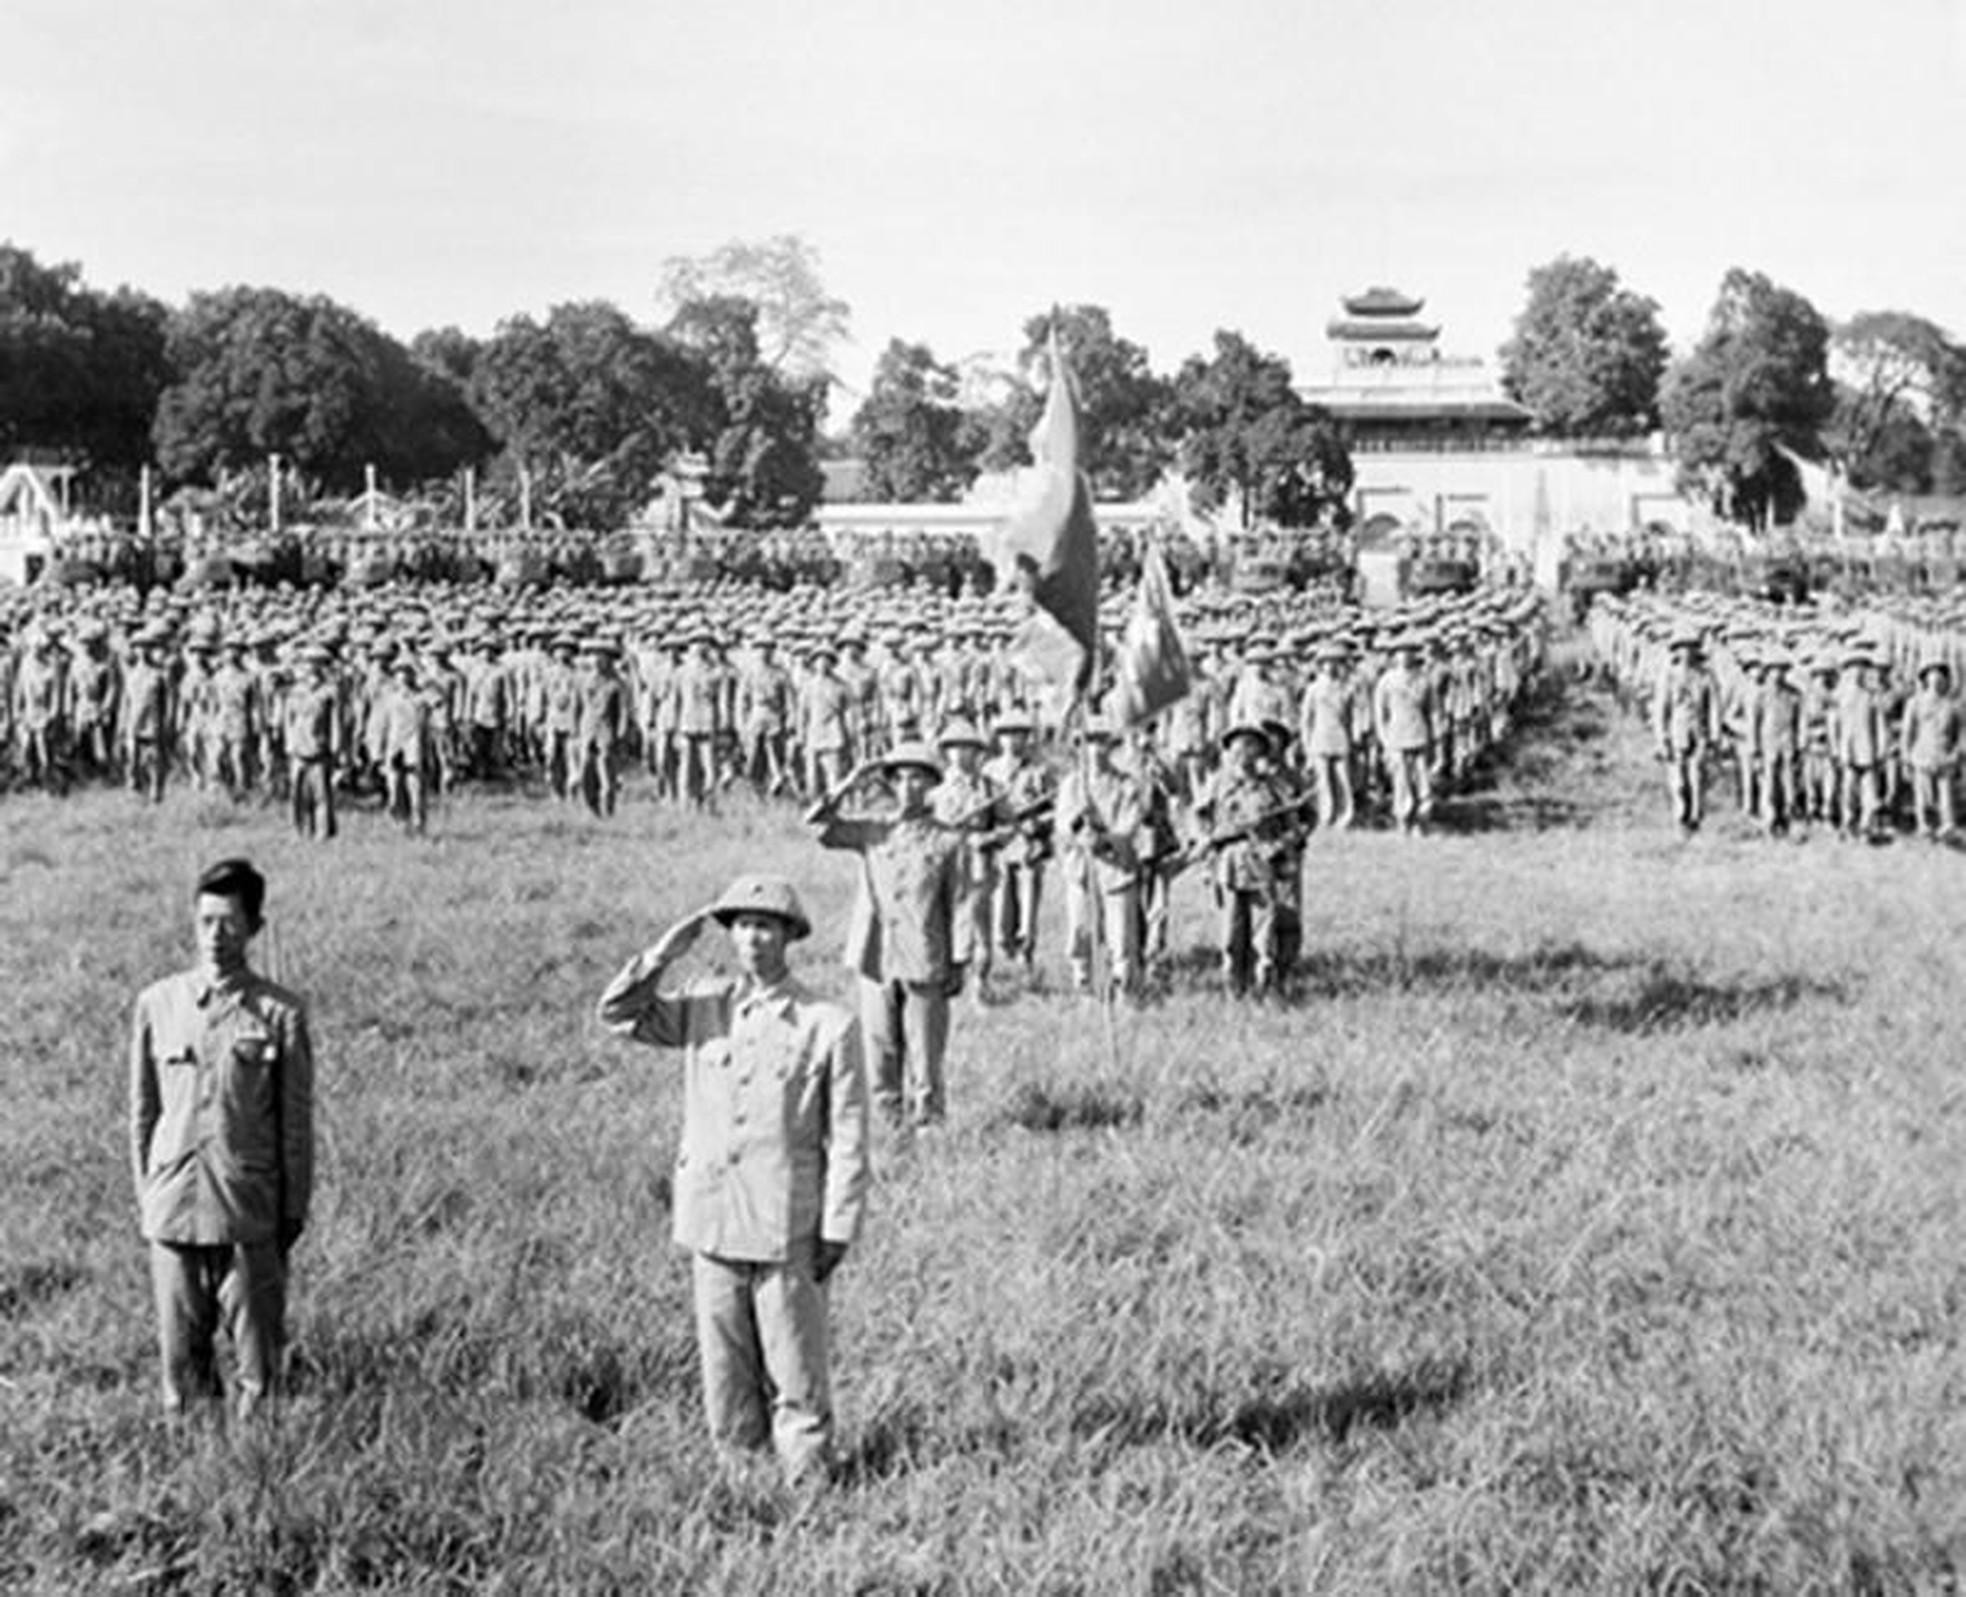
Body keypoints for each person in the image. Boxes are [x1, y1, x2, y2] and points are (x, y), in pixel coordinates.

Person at [595, 875, 869, 1486]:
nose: (753, 937)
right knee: (725, 1365)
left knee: (796, 1364)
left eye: (767, 925)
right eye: (742, 924)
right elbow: (618, 1014)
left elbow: (849, 1136)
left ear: (789, 937)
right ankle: (742, 1477)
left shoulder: (827, 1024)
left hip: (785, 1221)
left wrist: (838, 1226)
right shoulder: (703, 1005)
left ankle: (809, 1482)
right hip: (712, 1217)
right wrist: (663, 954)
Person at [128, 858, 314, 1419]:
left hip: (248, 1214)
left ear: (255, 928)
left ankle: (256, 1480)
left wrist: (291, 1212)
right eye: (206, 921)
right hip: (174, 1211)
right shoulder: (157, 1005)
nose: (216, 936)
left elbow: (296, 1126)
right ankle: (193, 1479)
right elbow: (142, 1114)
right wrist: (149, 1200)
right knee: (182, 1377)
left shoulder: (280, 1014)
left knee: (261, 1378)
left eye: (231, 922)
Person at [806, 741, 962, 1131]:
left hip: (926, 954)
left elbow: (961, 904)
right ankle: (891, 1123)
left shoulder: (947, 840)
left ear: (931, 786)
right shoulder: (874, 831)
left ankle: (928, 1123)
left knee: (925, 1051)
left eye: (918, 779)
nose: (908, 787)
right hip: (876, 955)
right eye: (901, 779)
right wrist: (849, 781)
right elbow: (819, 826)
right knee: (879, 1048)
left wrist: (959, 961)